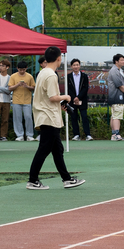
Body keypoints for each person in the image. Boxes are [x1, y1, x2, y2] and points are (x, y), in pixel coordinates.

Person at [26, 47, 85, 190]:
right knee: (44, 149)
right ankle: (33, 180)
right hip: (49, 117)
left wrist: (60, 104)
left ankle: (67, 179)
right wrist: (66, 97)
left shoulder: (42, 72)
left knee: (57, 149)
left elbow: (47, 97)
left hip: (46, 114)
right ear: (59, 58)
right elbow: (53, 97)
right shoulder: (51, 75)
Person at [67, 58, 93, 141]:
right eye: (74, 65)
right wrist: (74, 97)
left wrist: (78, 97)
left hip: (82, 100)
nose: (76, 66)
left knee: (84, 117)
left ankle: (88, 135)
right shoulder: (69, 76)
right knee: (74, 117)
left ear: (79, 66)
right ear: (71, 66)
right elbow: (68, 89)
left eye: (77, 65)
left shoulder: (84, 76)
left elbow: (85, 88)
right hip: (72, 100)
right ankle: (76, 134)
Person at [11, 61, 35, 141]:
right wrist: (17, 85)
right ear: (17, 68)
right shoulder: (13, 76)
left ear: (26, 68)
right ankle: (19, 135)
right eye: (20, 69)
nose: (22, 71)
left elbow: (34, 88)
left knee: (28, 117)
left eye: (23, 69)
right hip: (16, 100)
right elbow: (9, 88)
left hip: (27, 100)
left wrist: (27, 86)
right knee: (17, 118)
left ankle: (29, 135)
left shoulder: (29, 76)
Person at [107, 53, 124, 141]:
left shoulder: (118, 70)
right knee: (117, 115)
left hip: (117, 96)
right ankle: (116, 134)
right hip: (116, 96)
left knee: (114, 115)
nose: (123, 62)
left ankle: (114, 134)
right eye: (121, 60)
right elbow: (119, 84)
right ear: (116, 61)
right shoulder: (114, 71)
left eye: (123, 60)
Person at [0, 59, 10, 141]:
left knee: (5, 119)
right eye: (0, 65)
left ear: (7, 67)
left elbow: (9, 90)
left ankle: (3, 136)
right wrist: (5, 89)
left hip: (6, 101)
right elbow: (6, 89)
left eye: (2, 66)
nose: (1, 67)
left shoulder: (10, 77)